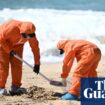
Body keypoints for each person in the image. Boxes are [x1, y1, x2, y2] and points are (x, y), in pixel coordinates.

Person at [0, 20, 40, 95]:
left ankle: (15, 87)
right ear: (21, 31)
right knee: (3, 66)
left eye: (30, 36)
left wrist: (37, 63)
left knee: (17, 66)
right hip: (3, 44)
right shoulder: (11, 28)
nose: (28, 37)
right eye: (25, 36)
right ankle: (0, 87)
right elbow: (1, 39)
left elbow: (35, 48)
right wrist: (9, 50)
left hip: (18, 46)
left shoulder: (31, 34)